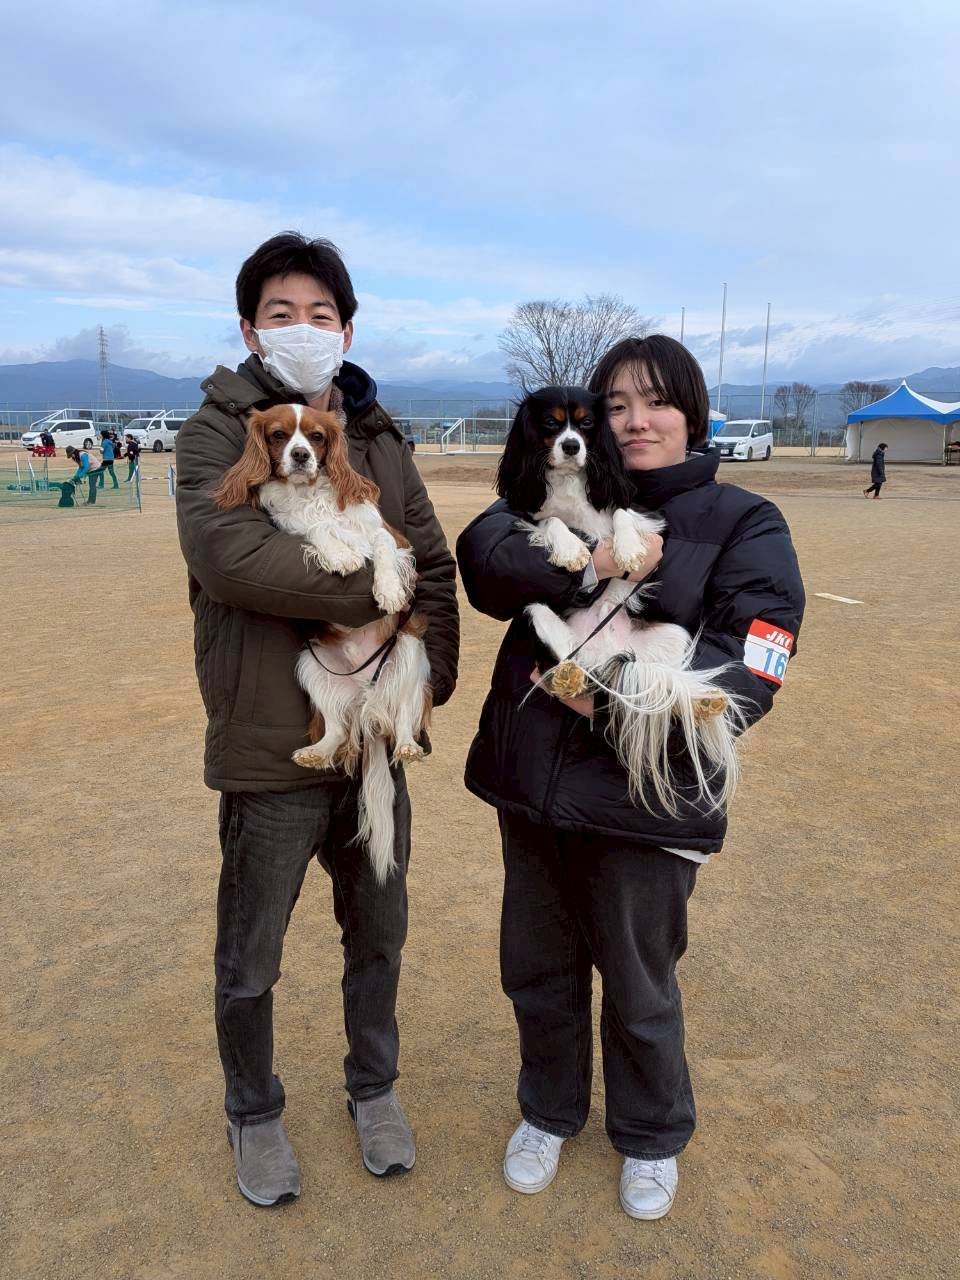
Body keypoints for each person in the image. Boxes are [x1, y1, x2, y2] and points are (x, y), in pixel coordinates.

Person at [456, 335, 805, 1221]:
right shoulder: (547, 497)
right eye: (616, 404)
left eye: (656, 402)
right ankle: (549, 1111)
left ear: (693, 412)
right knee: (537, 967)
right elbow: (488, 558)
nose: (634, 421)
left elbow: (748, 671)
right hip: (534, 787)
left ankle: (650, 1136)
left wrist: (602, 709)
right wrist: (594, 560)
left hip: (648, 801)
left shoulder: (744, 523)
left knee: (641, 981)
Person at [175, 232, 459, 1208]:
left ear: (348, 326)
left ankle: (372, 1088)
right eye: (282, 313)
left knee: (378, 931)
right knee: (251, 952)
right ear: (250, 326)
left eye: (322, 314)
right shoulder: (218, 429)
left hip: (377, 731)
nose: (304, 329)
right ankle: (253, 1108)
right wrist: (367, 598)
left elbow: (433, 559)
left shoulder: (376, 432)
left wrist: (426, 684)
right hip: (268, 743)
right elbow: (232, 560)